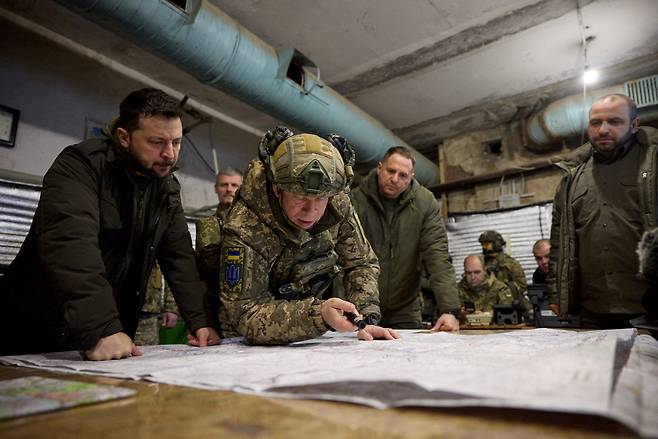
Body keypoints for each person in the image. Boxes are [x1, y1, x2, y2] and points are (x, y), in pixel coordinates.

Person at [0, 88, 220, 359]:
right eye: (157, 142)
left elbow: (180, 258)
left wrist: (201, 321)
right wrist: (100, 327)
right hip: (36, 328)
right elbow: (71, 245)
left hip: (106, 337)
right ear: (124, 137)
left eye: (176, 142)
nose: (170, 154)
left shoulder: (166, 189)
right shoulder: (81, 166)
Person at [219, 127, 399, 345]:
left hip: (304, 329)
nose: (310, 211)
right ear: (277, 190)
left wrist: (365, 317)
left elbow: (361, 263)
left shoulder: (337, 202)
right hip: (241, 336)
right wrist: (317, 315)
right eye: (299, 197)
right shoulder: (245, 226)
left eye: (320, 199)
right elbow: (246, 313)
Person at [550, 93, 657, 329]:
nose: (603, 129)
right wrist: (558, 294)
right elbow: (560, 240)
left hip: (650, 309)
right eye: (596, 122)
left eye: (615, 122)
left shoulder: (653, 161)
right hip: (595, 311)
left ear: (634, 124)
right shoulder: (572, 176)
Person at [350, 146, 461, 331]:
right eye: (390, 171)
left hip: (404, 307)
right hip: (358, 303)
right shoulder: (354, 200)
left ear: (412, 177)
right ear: (379, 168)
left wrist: (450, 310)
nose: (395, 179)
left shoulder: (425, 203)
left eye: (403, 175)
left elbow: (437, 255)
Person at [478, 230, 529, 311]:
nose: (484, 247)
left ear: (496, 244)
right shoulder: (480, 263)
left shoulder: (510, 264)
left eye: (486, 244)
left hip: (508, 303)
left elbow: (522, 286)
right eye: (482, 244)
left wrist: (503, 287)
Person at [134, 262, 179, 345]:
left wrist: (170, 307)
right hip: (117, 312)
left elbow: (170, 273)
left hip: (149, 311)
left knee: (146, 353)